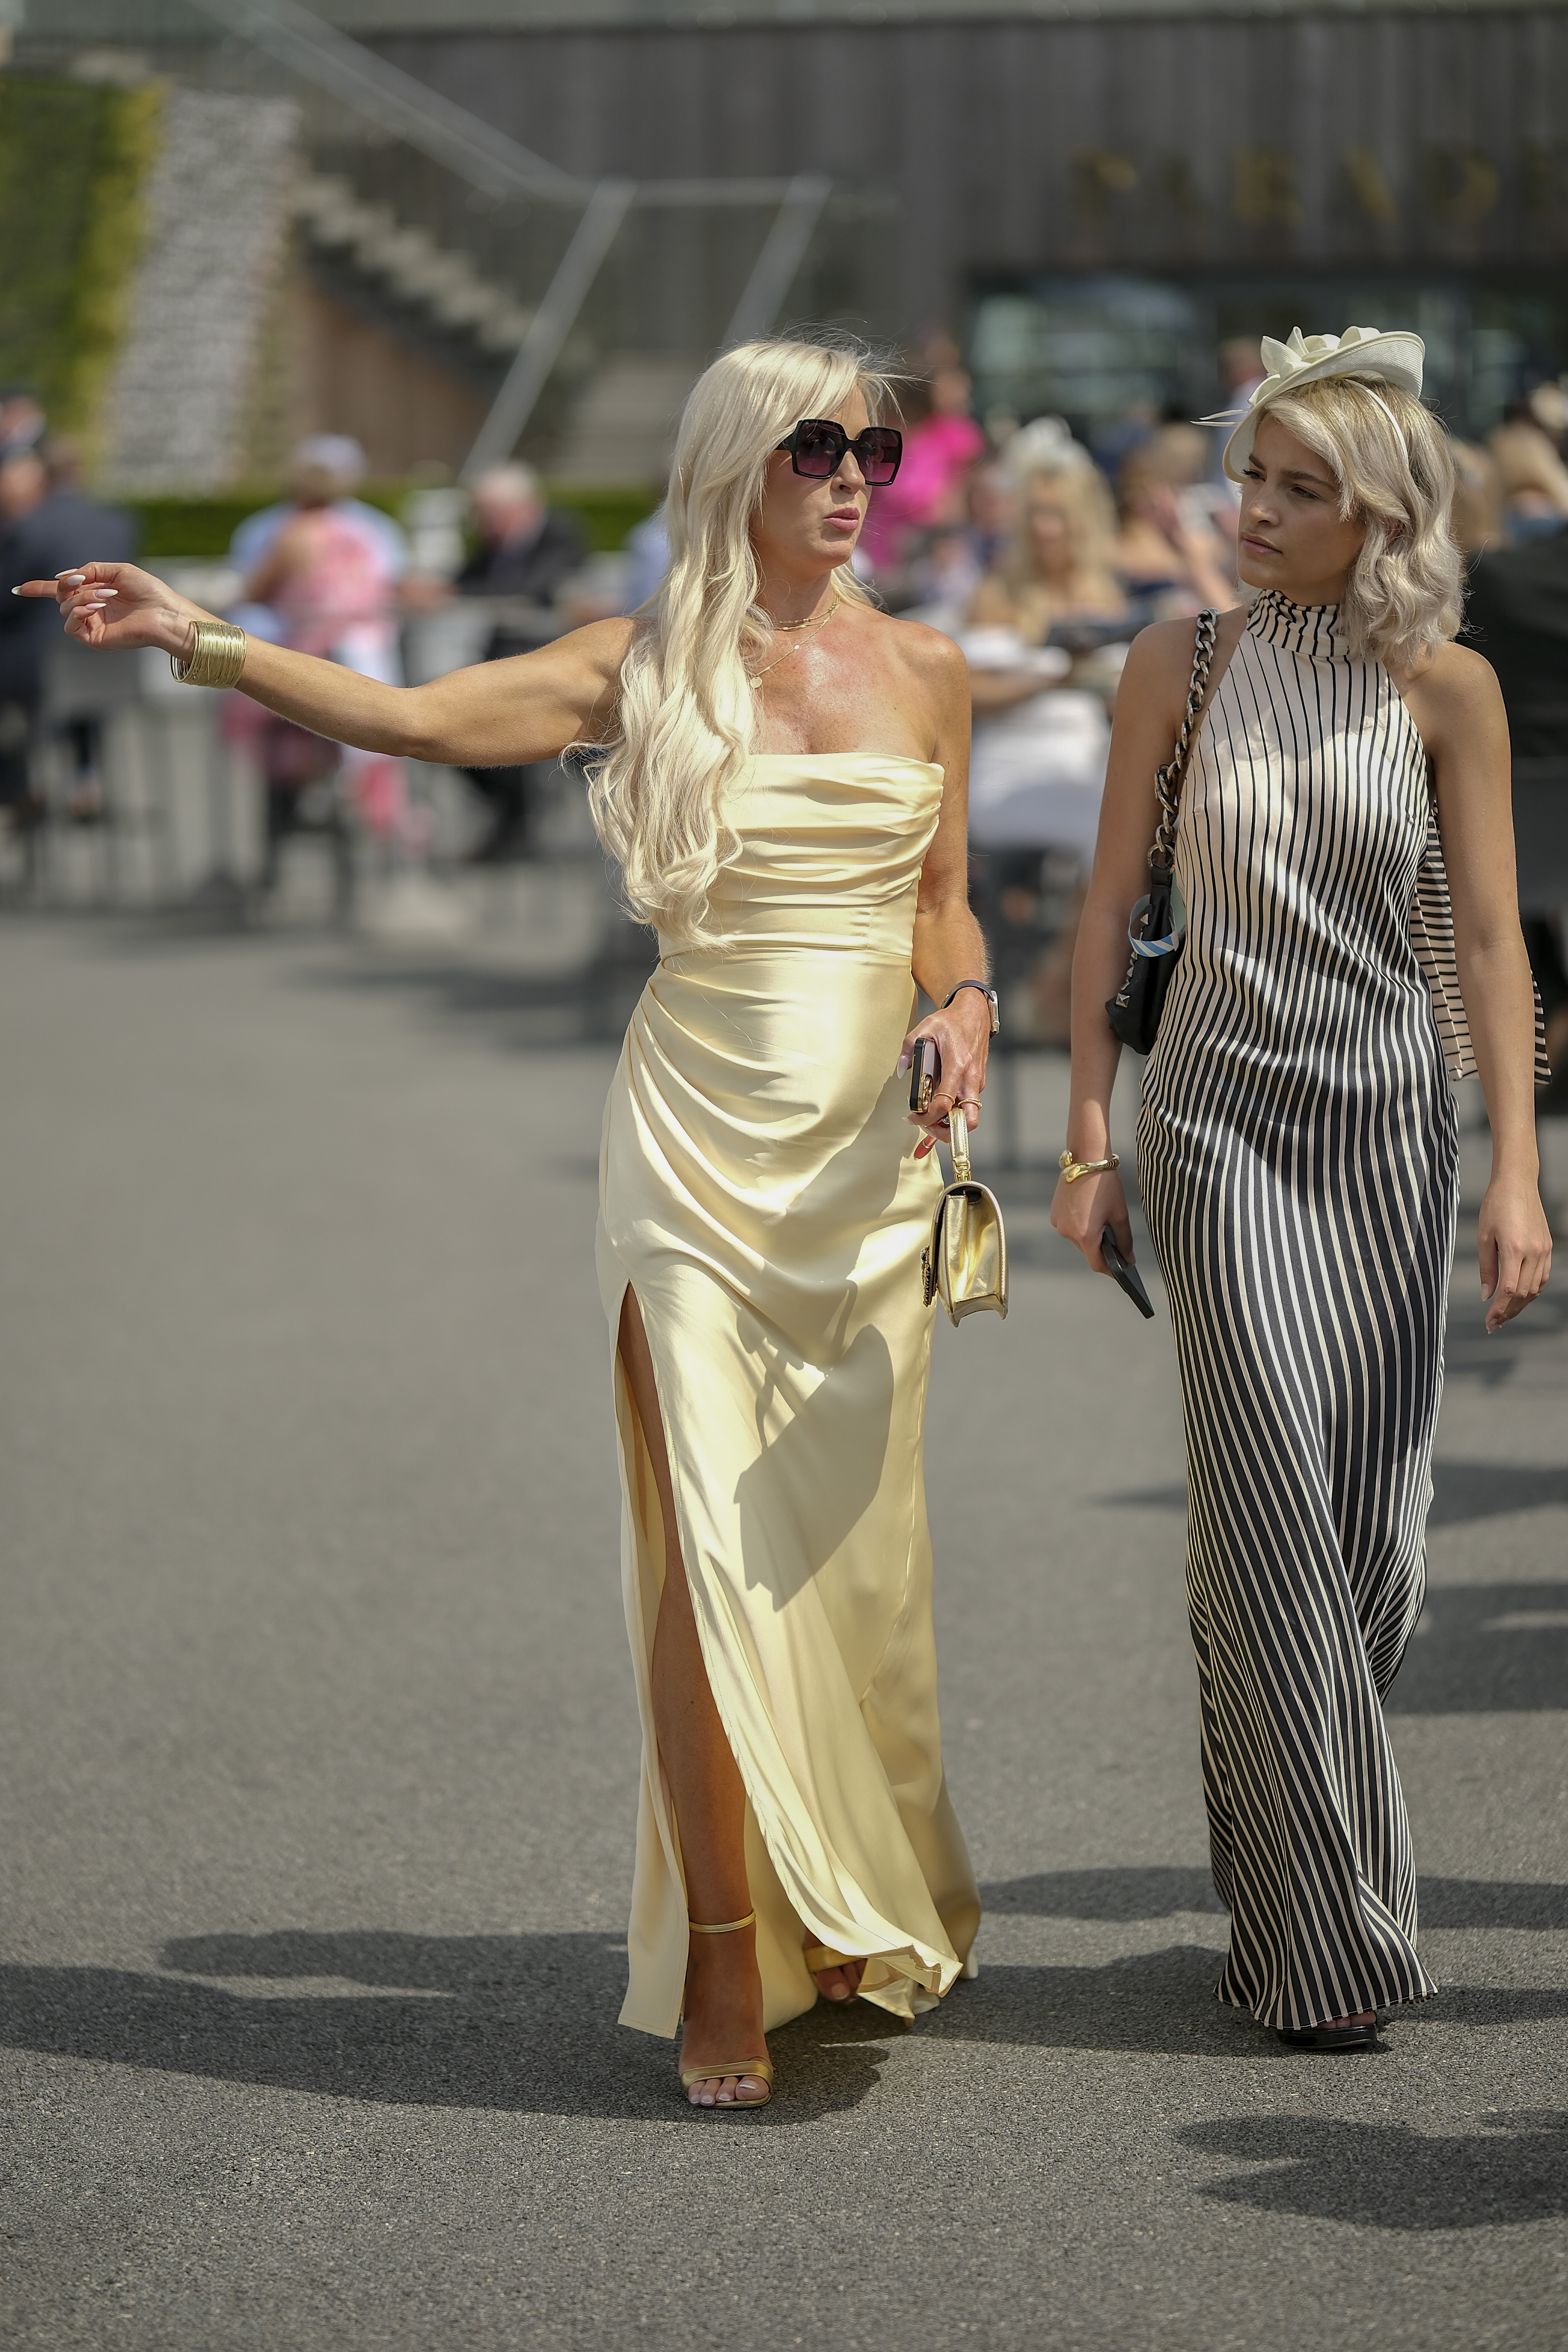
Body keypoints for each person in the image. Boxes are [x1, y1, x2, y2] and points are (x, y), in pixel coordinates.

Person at [28, 333, 994, 2110]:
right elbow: (407, 717)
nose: (855, 474)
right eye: (815, 446)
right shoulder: (635, 664)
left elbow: (943, 906)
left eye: (878, 441)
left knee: (840, 1560)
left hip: (861, 1181)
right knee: (707, 1552)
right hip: (693, 1155)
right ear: (735, 466)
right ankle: (720, 1946)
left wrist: (970, 1006)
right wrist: (198, 637)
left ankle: (846, 1897)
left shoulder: (928, 667)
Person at [1052, 326, 1551, 2051]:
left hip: (1390, 1131)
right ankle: (1333, 1938)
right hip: (1212, 1128)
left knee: (1364, 1551)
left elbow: (1488, 939)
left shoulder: (1446, 688)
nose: (1251, 510)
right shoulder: (1174, 664)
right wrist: (1087, 1131)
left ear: (1379, 514)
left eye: (1297, 489)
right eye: (1248, 476)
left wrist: (1517, 1176)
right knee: (1268, 1498)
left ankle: (1266, 1859)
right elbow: (1108, 908)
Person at [228, 436, 423, 902]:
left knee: (290, 766)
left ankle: (282, 866)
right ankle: (372, 868)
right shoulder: (365, 531)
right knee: (366, 758)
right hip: (367, 655)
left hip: (312, 657)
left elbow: (254, 590)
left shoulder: (291, 534)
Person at [1464, 519, 1568, 1093]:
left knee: (1510, 908)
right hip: (1521, 830)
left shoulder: (1500, 579)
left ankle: (1549, 1007)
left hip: (1520, 826)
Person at [0, 436, 135, 832]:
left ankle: (22, 789)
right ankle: (84, 778)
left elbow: (9, 597)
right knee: (81, 698)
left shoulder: (29, 527)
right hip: (105, 660)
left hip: (38, 666)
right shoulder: (117, 522)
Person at [451, 463, 585, 862]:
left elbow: (530, 591)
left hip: (549, 666)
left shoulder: (558, 533)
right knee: (455, 734)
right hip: (500, 663)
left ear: (514, 508)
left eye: (486, 513)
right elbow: (467, 582)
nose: (479, 523)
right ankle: (514, 818)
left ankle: (518, 823)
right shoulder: (496, 542)